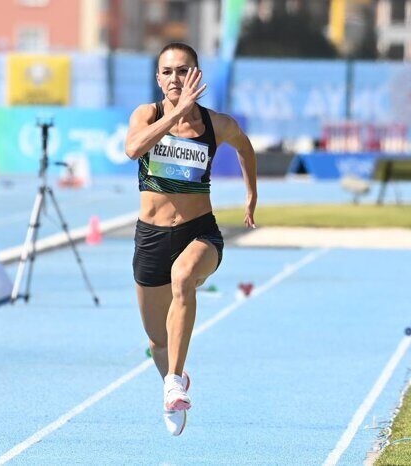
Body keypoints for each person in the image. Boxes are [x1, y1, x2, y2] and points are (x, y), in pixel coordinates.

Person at [124, 43, 257, 436]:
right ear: (157, 78)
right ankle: (173, 377)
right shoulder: (147, 115)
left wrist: (252, 192)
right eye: (167, 72)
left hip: (199, 233)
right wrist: (175, 115)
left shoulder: (216, 124)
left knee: (184, 278)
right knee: (155, 339)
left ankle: (173, 384)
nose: (175, 79)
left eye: (183, 71)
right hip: (151, 236)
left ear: (197, 75)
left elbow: (245, 147)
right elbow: (132, 149)